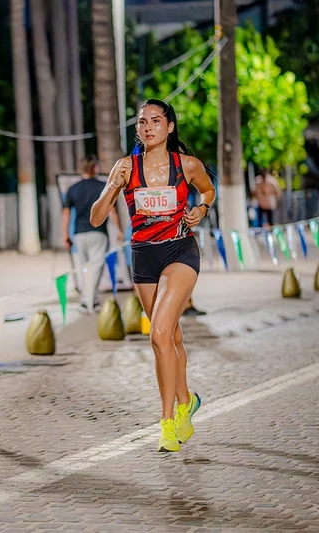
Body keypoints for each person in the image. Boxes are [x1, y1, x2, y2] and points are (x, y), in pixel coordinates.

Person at [89, 99, 216, 453]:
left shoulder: (187, 165)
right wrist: (112, 187)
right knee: (170, 337)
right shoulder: (126, 167)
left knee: (158, 332)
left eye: (156, 121)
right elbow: (96, 218)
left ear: (170, 127)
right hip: (144, 259)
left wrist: (202, 209)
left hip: (180, 251)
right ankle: (187, 401)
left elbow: (208, 189)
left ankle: (167, 423)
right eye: (142, 122)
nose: (148, 127)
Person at [63, 156, 123, 312]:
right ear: (95, 168)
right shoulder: (103, 187)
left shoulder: (73, 189)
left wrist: (65, 234)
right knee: (96, 268)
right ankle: (88, 301)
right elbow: (112, 211)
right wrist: (119, 230)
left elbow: (66, 214)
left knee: (84, 269)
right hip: (98, 233)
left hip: (79, 234)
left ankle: (90, 300)